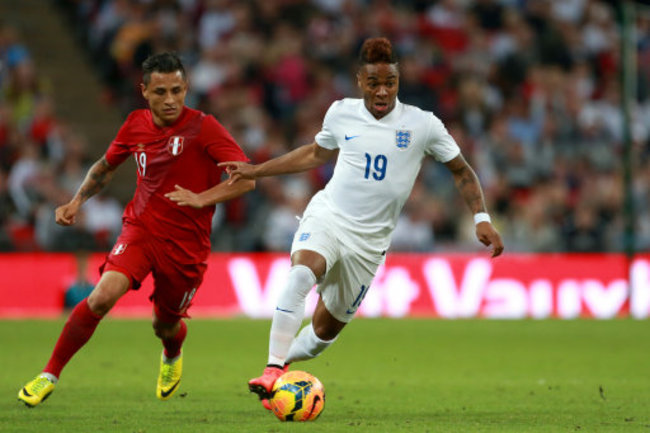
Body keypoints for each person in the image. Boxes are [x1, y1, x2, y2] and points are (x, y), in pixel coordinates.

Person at [219, 37, 504, 409]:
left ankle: (286, 359)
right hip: (329, 217)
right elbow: (314, 153)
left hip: (369, 245)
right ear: (360, 81)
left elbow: (462, 171)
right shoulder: (341, 113)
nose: (382, 91)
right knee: (302, 273)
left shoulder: (424, 125)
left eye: (390, 83)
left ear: (398, 81)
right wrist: (257, 169)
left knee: (323, 333)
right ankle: (272, 369)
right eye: (374, 83)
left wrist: (481, 217)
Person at [18, 52, 254, 407]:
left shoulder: (204, 127)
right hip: (140, 231)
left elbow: (246, 179)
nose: (170, 99)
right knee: (100, 297)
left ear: (186, 87)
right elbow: (105, 166)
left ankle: (172, 354)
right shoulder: (134, 125)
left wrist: (202, 198)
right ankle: (48, 375)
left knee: (165, 325)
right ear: (144, 91)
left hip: (186, 245)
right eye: (160, 92)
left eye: (177, 90)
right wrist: (75, 201)